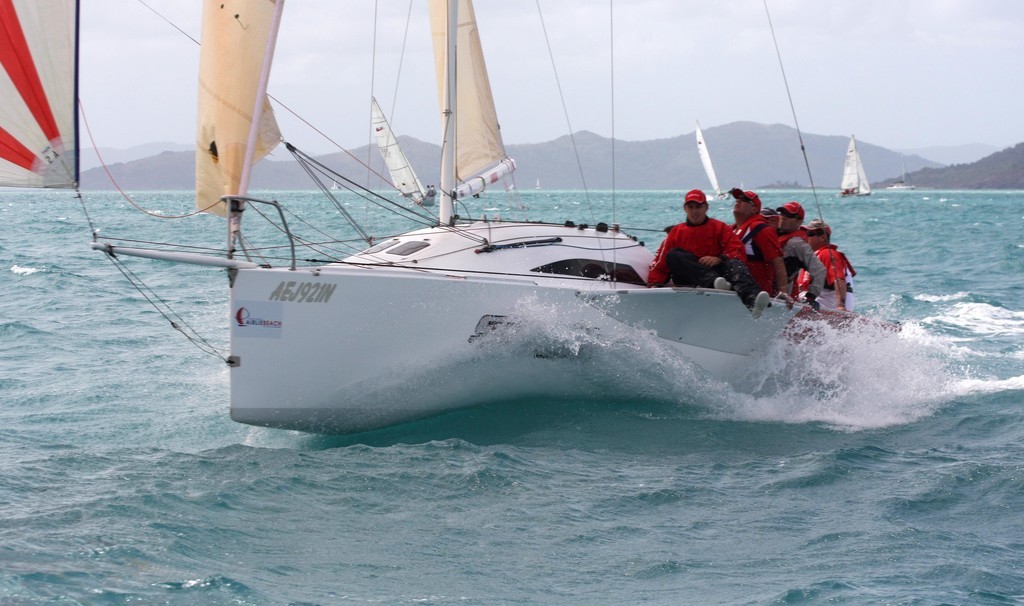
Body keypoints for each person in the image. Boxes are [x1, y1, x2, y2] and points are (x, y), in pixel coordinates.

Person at [648, 189, 770, 316]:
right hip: (691, 280)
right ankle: (714, 283)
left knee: (734, 262)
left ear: (706, 207)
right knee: (673, 255)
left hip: (719, 276)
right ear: (685, 209)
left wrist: (719, 258)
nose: (695, 211)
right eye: (691, 207)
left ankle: (753, 300)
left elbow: (738, 250)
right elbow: (659, 264)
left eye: (699, 207)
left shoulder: (720, 227)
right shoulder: (676, 232)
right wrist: (654, 285)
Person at [728, 188, 790, 303]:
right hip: (734, 289)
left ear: (754, 209)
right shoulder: (731, 230)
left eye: (744, 200)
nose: (738, 201)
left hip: (757, 293)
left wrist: (783, 291)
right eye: (737, 199)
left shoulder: (762, 230)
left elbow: (777, 261)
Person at [776, 201, 826, 308]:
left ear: (799, 222)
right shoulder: (772, 235)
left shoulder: (797, 244)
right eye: (782, 214)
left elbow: (820, 271)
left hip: (782, 295)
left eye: (789, 215)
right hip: (767, 289)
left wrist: (811, 297)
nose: (783, 217)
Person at [802, 218, 856, 311]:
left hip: (829, 305)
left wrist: (840, 306)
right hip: (819, 302)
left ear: (822, 237)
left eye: (809, 234)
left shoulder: (827, 254)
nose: (805, 238)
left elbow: (839, 279)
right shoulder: (812, 256)